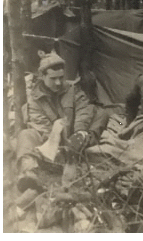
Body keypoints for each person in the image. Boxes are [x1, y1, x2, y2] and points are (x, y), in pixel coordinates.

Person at [16, 51, 109, 193]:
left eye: (61, 77)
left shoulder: (72, 89)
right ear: (42, 76)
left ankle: (81, 142)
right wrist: (57, 143)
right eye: (53, 78)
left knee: (101, 113)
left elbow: (83, 111)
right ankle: (28, 172)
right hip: (51, 142)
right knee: (26, 134)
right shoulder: (34, 99)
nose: (58, 82)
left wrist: (79, 132)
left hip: (75, 137)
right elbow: (41, 127)